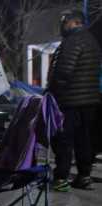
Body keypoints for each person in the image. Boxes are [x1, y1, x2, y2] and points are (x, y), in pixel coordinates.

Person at [48, 10, 102, 191]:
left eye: (64, 23)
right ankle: (84, 176)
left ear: (73, 22)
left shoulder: (71, 42)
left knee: (64, 140)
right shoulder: (92, 42)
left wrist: (53, 92)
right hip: (90, 101)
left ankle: (61, 178)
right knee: (84, 140)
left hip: (69, 101)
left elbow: (63, 71)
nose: (62, 26)